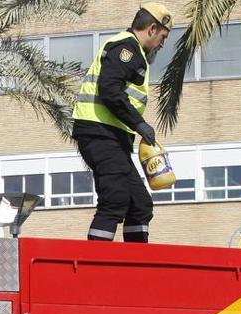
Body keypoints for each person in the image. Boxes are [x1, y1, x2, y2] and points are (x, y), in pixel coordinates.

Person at [72, 2, 174, 243]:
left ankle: (137, 268)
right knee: (115, 199)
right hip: (99, 134)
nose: (163, 43)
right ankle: (94, 265)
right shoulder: (127, 48)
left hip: (111, 138)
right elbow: (109, 90)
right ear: (151, 29)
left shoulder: (132, 51)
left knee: (140, 205)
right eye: (163, 36)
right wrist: (139, 124)